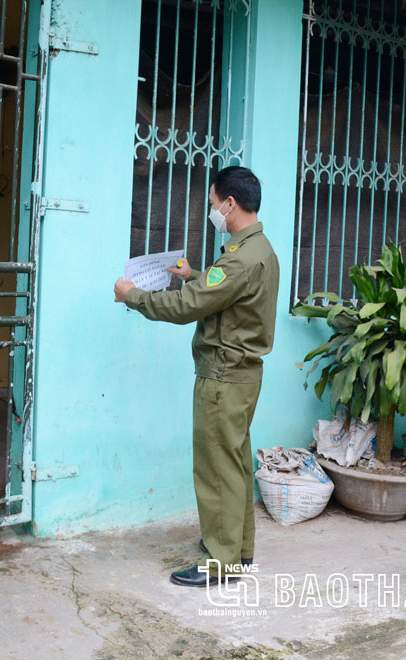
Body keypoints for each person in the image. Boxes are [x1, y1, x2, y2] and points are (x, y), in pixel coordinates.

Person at [113, 166, 280, 587]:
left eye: (212, 205)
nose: (212, 213)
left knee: (216, 469)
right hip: (242, 376)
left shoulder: (240, 257)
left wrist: (131, 296)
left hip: (223, 378)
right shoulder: (260, 250)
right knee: (234, 464)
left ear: (230, 203)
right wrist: (194, 276)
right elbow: (224, 294)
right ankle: (236, 550)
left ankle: (221, 561)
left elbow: (187, 307)